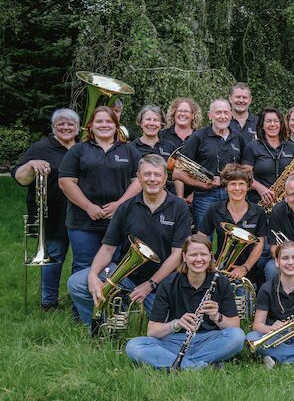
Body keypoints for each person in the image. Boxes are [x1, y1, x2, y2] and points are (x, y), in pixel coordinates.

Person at [68, 155, 192, 327]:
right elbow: (108, 248)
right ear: (138, 177)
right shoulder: (125, 207)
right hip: (127, 276)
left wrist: (150, 284)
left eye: (157, 175)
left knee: (171, 327)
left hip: (163, 281)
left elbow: (177, 255)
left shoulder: (179, 207)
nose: (152, 179)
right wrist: (93, 274)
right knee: (77, 283)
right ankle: (98, 327)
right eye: (147, 174)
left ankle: (133, 306)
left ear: (165, 178)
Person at [125, 234, 245, 369]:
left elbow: (235, 326)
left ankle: (179, 363)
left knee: (237, 336)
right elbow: (152, 331)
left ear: (210, 256)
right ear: (184, 256)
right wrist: (176, 324)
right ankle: (199, 365)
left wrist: (216, 316)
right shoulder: (168, 284)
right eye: (193, 255)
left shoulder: (221, 282)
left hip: (209, 340)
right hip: (175, 341)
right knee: (134, 346)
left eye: (203, 255)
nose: (199, 259)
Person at [59, 106, 142, 275]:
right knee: (83, 266)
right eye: (99, 121)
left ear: (116, 125)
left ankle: (108, 294)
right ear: (90, 125)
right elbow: (66, 182)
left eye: (109, 121)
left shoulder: (129, 150)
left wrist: (120, 204)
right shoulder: (78, 150)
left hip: (118, 220)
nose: (104, 125)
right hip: (83, 221)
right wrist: (89, 207)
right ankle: (84, 294)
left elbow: (139, 181)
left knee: (115, 268)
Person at [12, 108, 80, 310]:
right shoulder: (40, 148)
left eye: (70, 124)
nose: (66, 127)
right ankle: (49, 302)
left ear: (77, 128)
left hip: (82, 213)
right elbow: (20, 178)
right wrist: (31, 164)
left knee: (81, 259)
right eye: (61, 124)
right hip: (54, 215)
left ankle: (79, 301)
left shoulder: (84, 147)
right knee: (54, 257)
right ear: (53, 127)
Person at [174, 99, 246, 228]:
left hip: (233, 195)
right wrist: (202, 184)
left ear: (231, 115)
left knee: (231, 235)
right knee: (204, 235)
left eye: (226, 112)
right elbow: (177, 172)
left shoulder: (238, 137)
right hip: (205, 197)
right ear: (210, 115)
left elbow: (244, 169)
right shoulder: (198, 137)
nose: (222, 116)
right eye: (218, 112)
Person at [197, 164, 268, 287]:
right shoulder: (215, 209)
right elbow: (201, 235)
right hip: (218, 270)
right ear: (226, 187)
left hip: (247, 274)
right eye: (233, 184)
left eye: (241, 184)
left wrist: (245, 268)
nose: (237, 188)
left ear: (248, 187)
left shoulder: (258, 212)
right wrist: (210, 260)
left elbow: (259, 244)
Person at [242, 107, 294, 207]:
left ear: (281, 124)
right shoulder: (252, 147)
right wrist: (260, 188)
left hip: (286, 202)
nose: (272, 124)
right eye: (268, 121)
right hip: (259, 202)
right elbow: (245, 176)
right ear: (262, 125)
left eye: (276, 121)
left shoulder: (291, 146)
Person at [160, 97, 202, 201]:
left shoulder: (201, 137)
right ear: (173, 114)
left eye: (186, 111)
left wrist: (194, 195)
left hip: (196, 196)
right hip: (165, 195)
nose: (182, 114)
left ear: (193, 115)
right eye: (179, 111)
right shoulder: (161, 136)